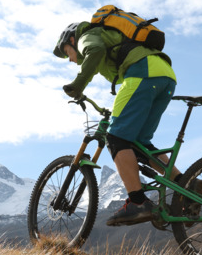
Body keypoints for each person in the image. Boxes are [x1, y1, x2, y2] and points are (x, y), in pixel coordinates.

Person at [53, 20, 179, 226]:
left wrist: (78, 85)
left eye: (67, 52)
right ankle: (186, 183)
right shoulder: (105, 35)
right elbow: (99, 59)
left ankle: (138, 203)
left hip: (142, 73)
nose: (69, 59)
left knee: (116, 138)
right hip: (165, 76)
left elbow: (94, 51)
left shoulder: (87, 35)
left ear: (72, 40)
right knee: (140, 144)